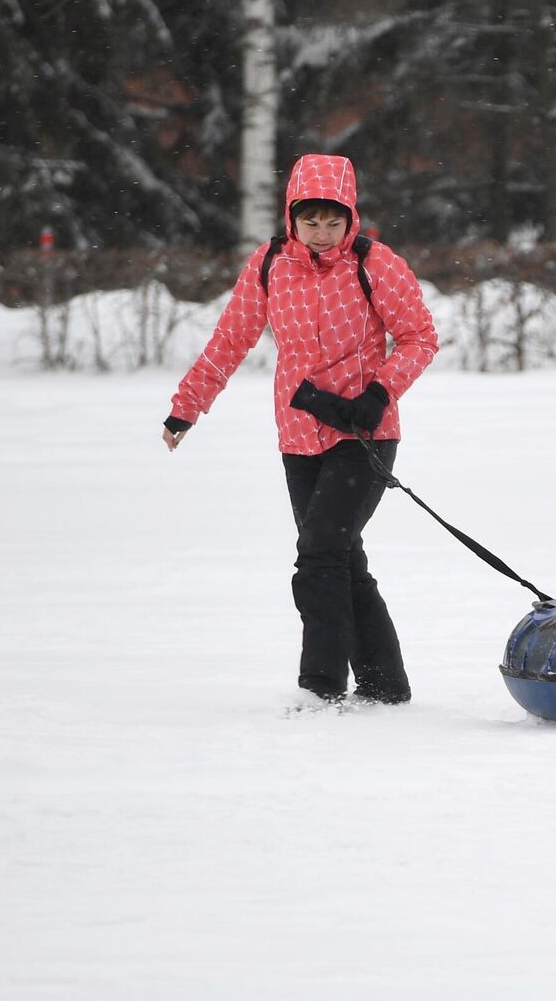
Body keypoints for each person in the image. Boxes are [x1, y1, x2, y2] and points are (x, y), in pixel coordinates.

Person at [162, 154, 439, 705]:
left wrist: (379, 393)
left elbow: (420, 337)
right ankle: (386, 686)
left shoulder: (374, 263)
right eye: (310, 220)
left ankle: (320, 686)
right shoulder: (269, 264)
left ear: (350, 216)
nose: (321, 232)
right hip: (298, 435)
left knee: (318, 556)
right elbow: (230, 340)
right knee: (340, 557)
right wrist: (186, 407)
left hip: (365, 436)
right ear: (292, 216)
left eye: (332, 221)